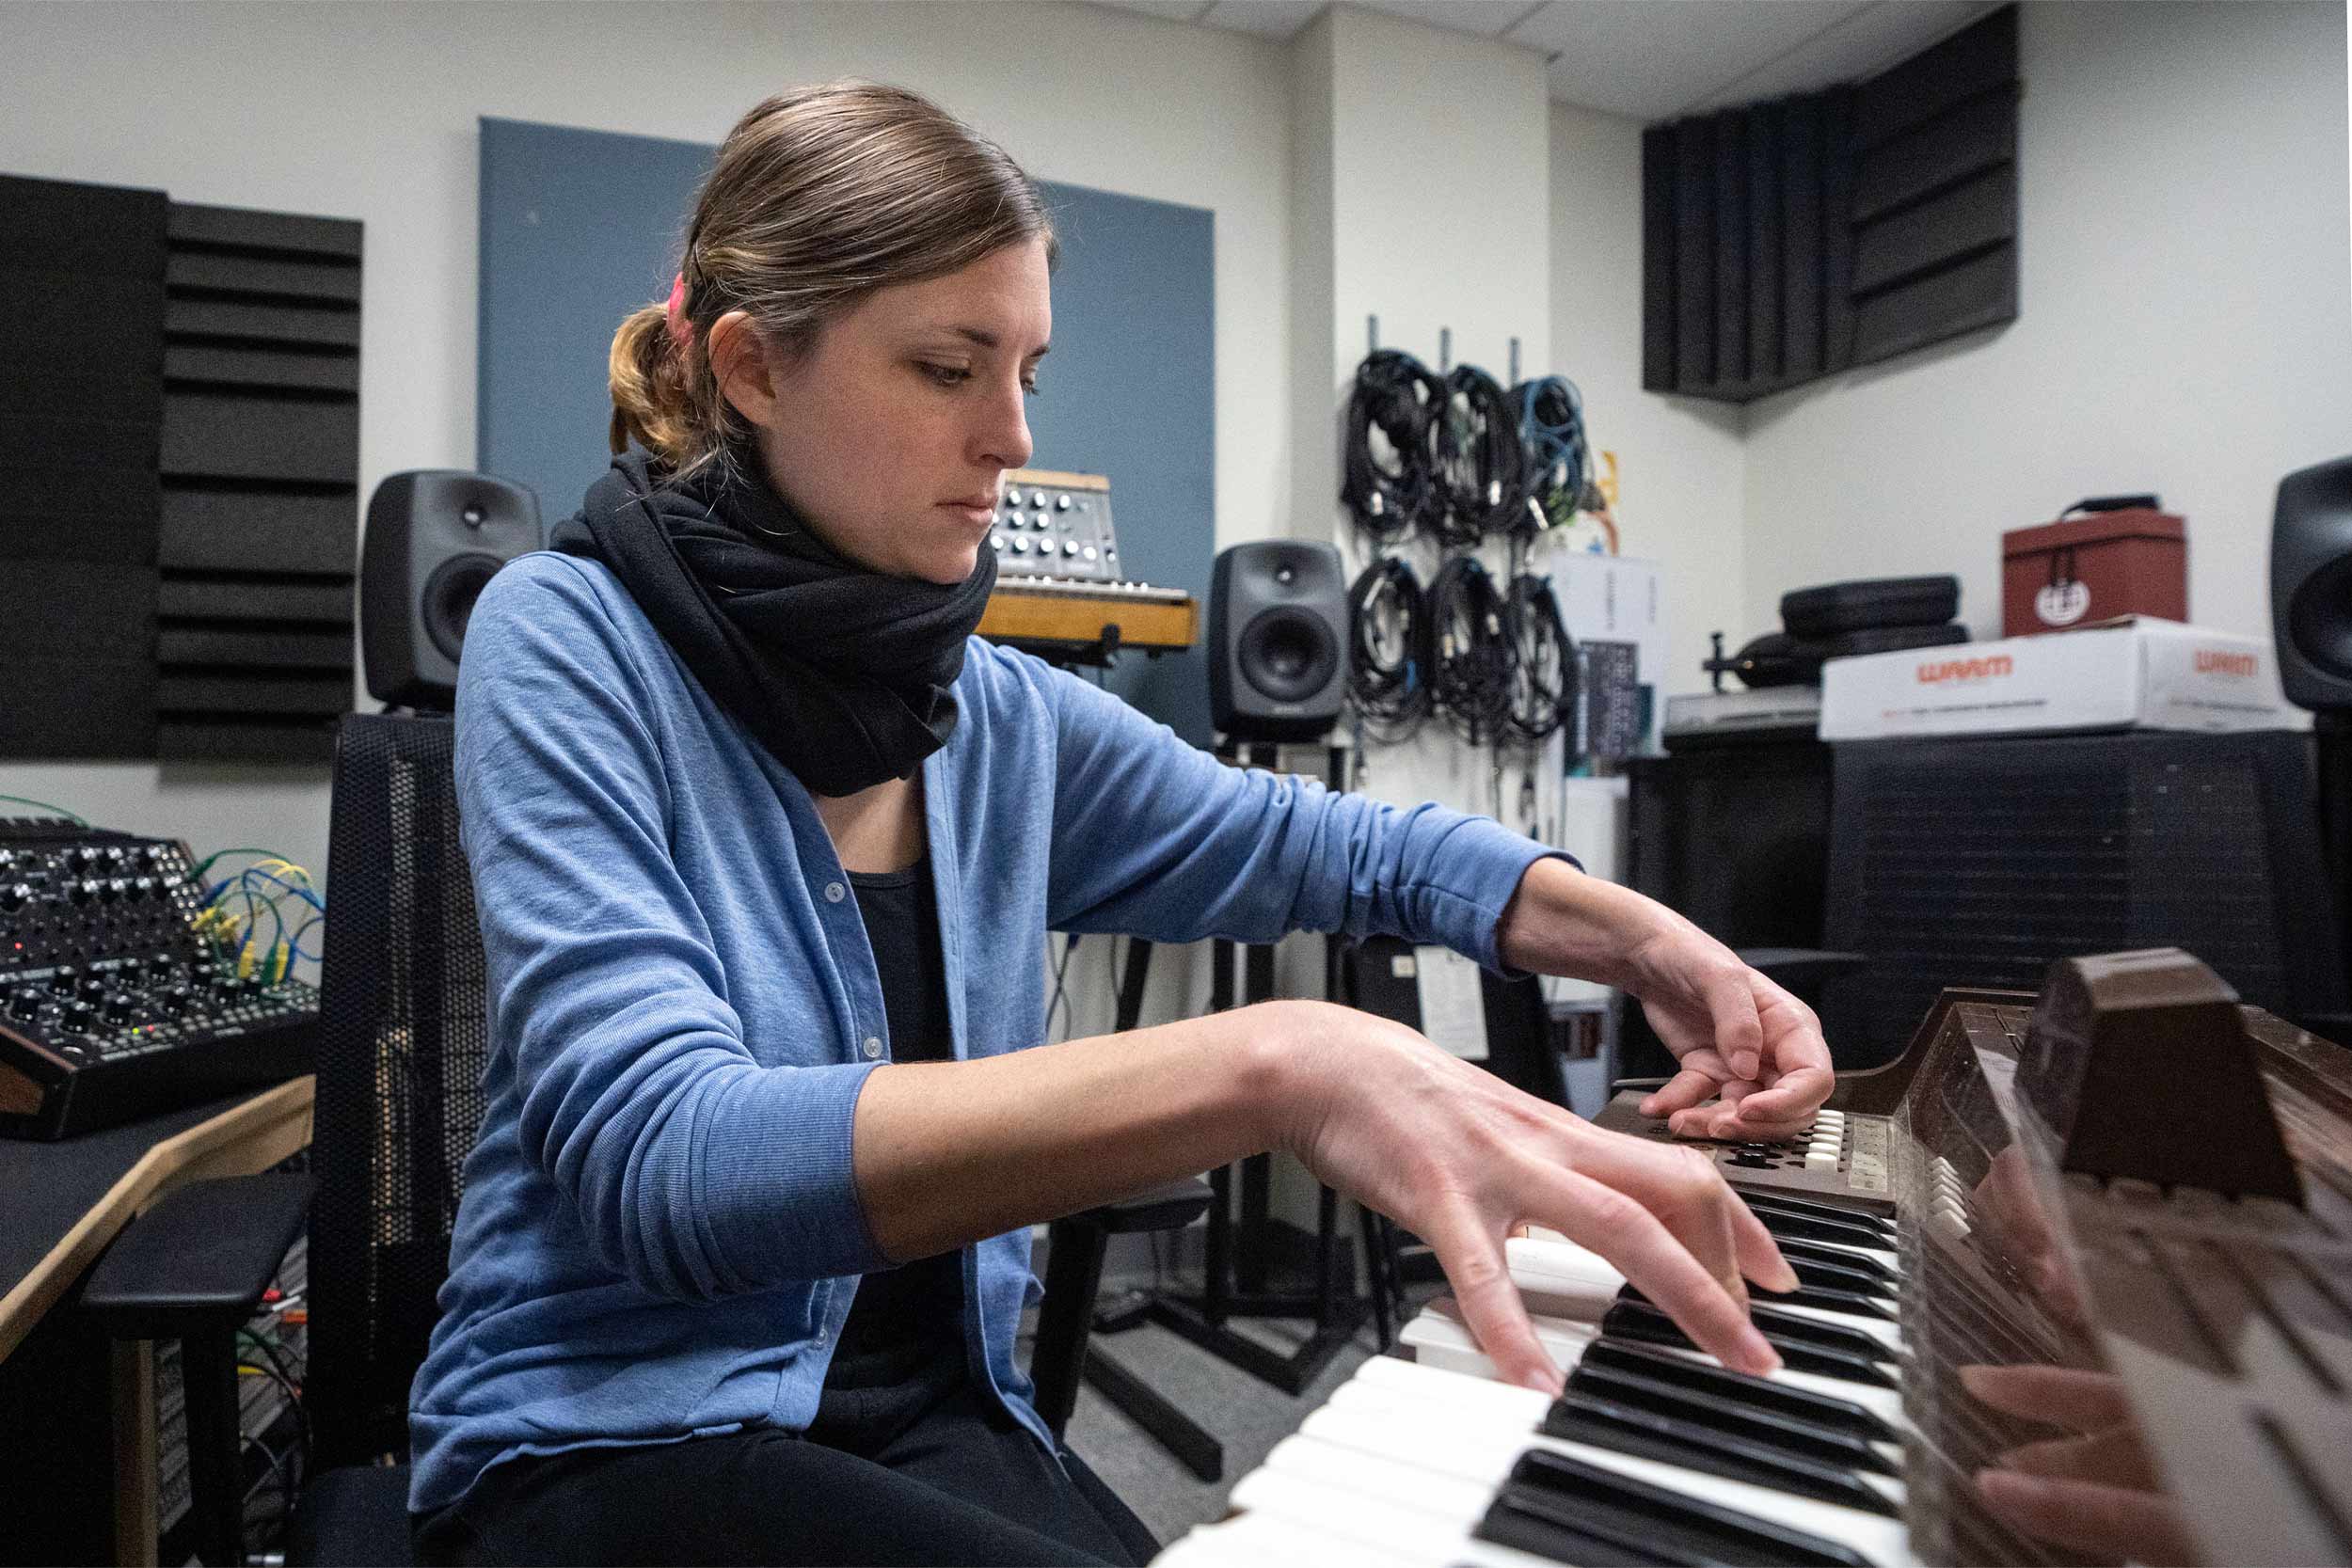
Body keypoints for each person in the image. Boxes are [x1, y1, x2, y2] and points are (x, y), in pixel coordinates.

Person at [406, 80, 1836, 1568]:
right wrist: (1282, 1062)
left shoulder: (993, 714)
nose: (1013, 435)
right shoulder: (566, 638)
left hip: (939, 1418)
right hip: (603, 1441)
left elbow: (1340, 848)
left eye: (1027, 368)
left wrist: (1653, 944)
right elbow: (662, 1159)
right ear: (756, 370)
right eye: (951, 368)